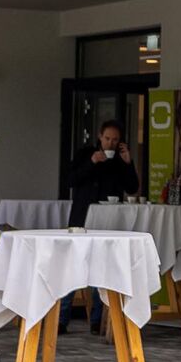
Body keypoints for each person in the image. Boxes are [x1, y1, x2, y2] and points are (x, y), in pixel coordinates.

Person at [62, 120, 138, 332]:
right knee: (73, 266)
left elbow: (132, 187)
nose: (110, 143)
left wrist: (128, 162)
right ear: (99, 136)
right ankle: (61, 319)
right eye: (107, 139)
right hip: (82, 218)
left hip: (108, 221)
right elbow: (70, 179)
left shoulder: (120, 160)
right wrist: (92, 162)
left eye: (115, 140)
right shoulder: (85, 154)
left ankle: (97, 320)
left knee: (101, 267)